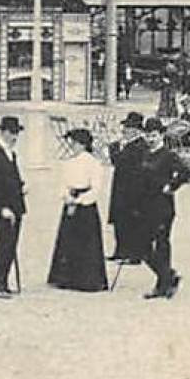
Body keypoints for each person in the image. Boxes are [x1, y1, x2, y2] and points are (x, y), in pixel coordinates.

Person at [48, 128, 109, 292]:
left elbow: (96, 188)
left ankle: (87, 280)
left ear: (83, 144)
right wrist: (66, 196)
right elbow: (63, 182)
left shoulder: (93, 163)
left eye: (75, 143)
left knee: (86, 242)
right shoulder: (69, 162)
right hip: (71, 201)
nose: (72, 146)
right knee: (68, 240)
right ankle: (65, 277)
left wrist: (80, 200)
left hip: (85, 206)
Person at [135, 116, 186, 299]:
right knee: (142, 246)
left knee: (162, 243)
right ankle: (168, 276)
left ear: (161, 135)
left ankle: (162, 284)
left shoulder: (168, 155)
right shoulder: (145, 154)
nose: (151, 139)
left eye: (154, 135)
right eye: (148, 135)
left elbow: (185, 171)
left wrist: (171, 186)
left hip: (162, 206)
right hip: (145, 205)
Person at [0, 116, 28, 298]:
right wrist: (2, 207)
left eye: (17, 133)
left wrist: (21, 187)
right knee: (5, 244)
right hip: (3, 209)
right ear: (3, 132)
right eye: (11, 132)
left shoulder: (11, 154)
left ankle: (4, 281)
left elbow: (12, 178)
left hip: (16, 206)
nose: (15, 136)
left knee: (11, 245)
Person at [107, 111, 148, 261]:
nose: (124, 130)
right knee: (119, 219)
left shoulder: (140, 146)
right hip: (121, 186)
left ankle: (133, 254)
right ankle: (120, 250)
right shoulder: (125, 144)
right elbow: (116, 162)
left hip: (132, 189)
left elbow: (122, 163)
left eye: (128, 128)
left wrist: (117, 149)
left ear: (136, 130)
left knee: (130, 221)